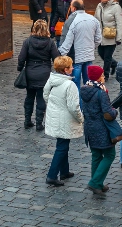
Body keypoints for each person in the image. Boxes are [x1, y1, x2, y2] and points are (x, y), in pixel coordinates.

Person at [43, 56, 84, 187]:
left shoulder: (52, 80)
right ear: (65, 70)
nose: (73, 68)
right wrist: (81, 118)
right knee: (62, 147)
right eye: (71, 66)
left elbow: (45, 95)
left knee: (63, 143)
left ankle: (64, 171)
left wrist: (54, 107)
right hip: (65, 120)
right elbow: (74, 107)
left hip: (55, 117)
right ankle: (52, 175)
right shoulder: (69, 85)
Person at [79, 65, 117, 195]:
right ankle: (94, 182)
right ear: (98, 78)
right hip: (102, 128)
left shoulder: (84, 89)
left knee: (96, 156)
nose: (104, 76)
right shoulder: (101, 93)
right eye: (102, 75)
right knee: (110, 155)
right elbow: (108, 113)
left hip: (89, 127)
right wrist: (115, 111)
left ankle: (98, 184)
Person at [17, 19, 59, 130]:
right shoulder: (50, 43)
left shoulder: (28, 41)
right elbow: (56, 58)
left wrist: (20, 68)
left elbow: (21, 58)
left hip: (30, 73)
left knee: (29, 97)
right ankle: (39, 123)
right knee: (41, 98)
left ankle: (27, 120)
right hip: (44, 74)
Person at [58, 0, 102, 89]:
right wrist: (91, 47)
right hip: (89, 56)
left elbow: (67, 41)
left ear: (73, 8)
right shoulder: (93, 20)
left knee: (75, 85)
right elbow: (98, 39)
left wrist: (60, 55)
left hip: (76, 58)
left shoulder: (72, 21)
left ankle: (77, 102)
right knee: (89, 83)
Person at [94, 0, 122, 80]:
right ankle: (114, 64)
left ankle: (105, 75)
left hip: (110, 35)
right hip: (100, 35)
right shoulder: (99, 6)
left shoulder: (116, 7)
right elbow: (95, 19)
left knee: (107, 57)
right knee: (101, 53)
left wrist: (118, 38)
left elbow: (119, 23)